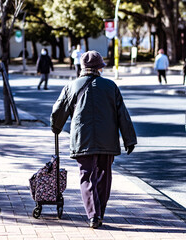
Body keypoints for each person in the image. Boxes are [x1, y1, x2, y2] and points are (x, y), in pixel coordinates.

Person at [50, 50, 137, 229]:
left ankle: (93, 215)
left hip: (82, 139)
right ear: (99, 68)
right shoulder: (111, 86)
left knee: (87, 176)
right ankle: (100, 213)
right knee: (104, 177)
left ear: (82, 68)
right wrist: (129, 139)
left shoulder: (71, 86)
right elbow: (123, 114)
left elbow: (58, 112)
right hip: (107, 141)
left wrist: (56, 127)